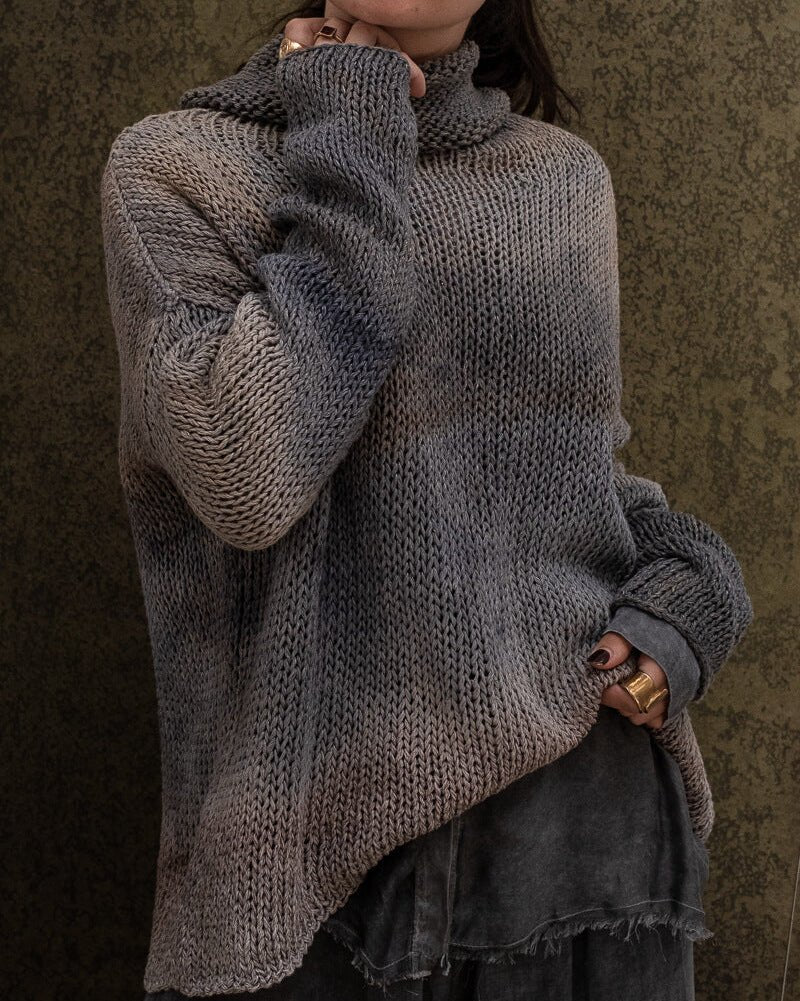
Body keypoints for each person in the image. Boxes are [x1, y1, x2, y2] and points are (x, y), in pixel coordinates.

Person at [99, 2, 754, 998]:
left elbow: (561, 475)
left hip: (582, 832)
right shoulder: (177, 168)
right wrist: (351, 133)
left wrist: (685, 592)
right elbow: (249, 475)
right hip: (308, 870)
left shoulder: (560, 178)